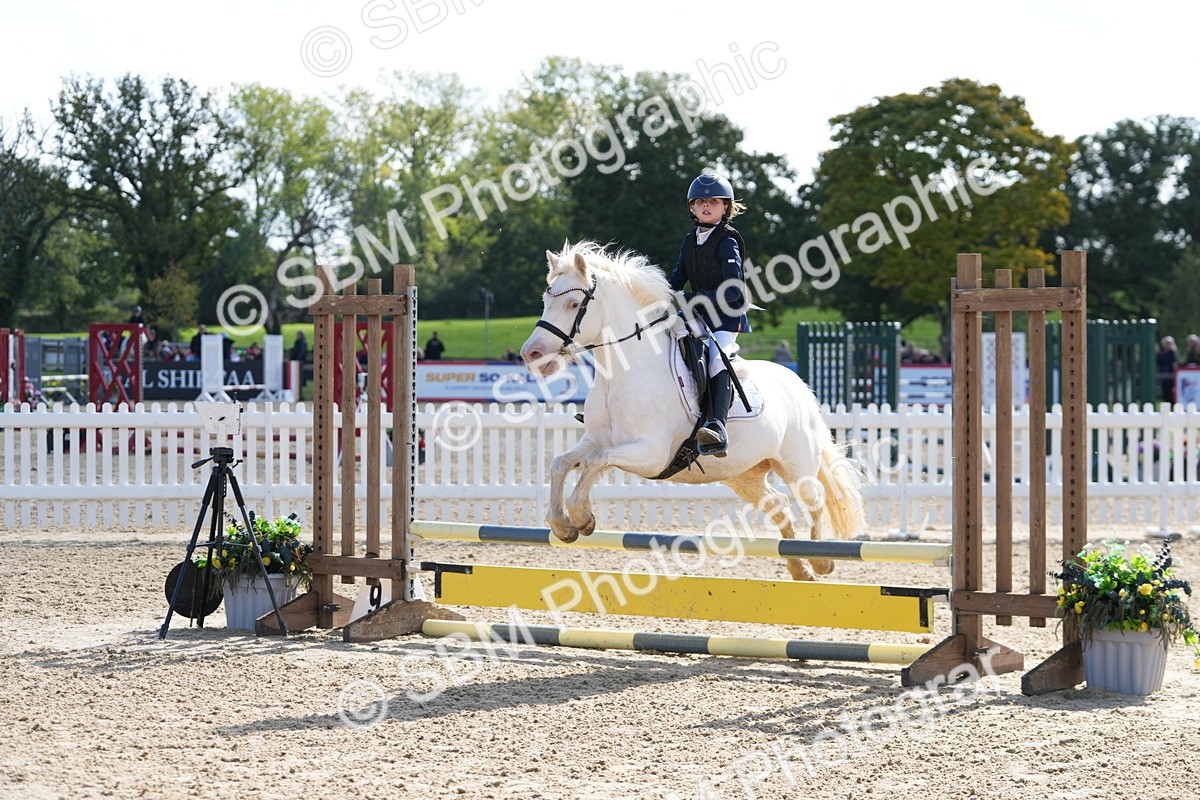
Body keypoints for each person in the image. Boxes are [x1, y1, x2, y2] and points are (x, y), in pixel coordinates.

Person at [668, 172, 750, 458]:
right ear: (692, 207)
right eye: (700, 201)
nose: (706, 206)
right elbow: (677, 279)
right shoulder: (689, 240)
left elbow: (733, 291)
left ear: (725, 207)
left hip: (727, 318)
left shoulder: (728, 241)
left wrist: (693, 299)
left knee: (717, 358)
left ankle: (717, 425)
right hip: (699, 316)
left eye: (713, 202)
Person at [1157, 336, 1179, 403]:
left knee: (1172, 392)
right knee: (1165, 392)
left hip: (1172, 376)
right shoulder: (1162, 354)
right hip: (1164, 375)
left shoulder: (1174, 353)